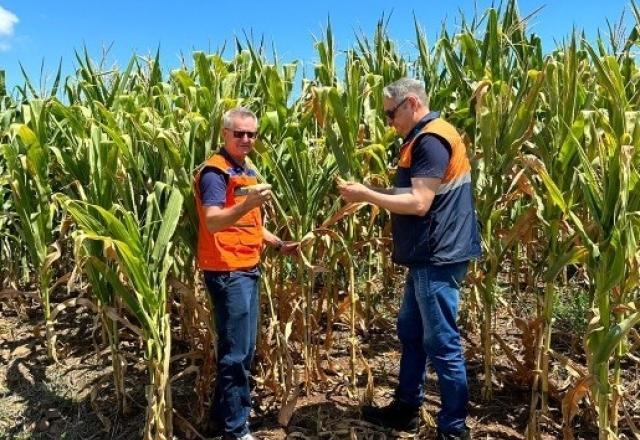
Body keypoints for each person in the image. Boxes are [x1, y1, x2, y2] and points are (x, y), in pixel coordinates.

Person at [338, 78, 482, 440]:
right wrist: (369, 191)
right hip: (426, 254)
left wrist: (368, 196)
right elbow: (411, 192)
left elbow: (419, 203)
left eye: (390, 113)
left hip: (436, 254)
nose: (388, 122)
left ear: (411, 103)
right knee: (412, 332)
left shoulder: (431, 140)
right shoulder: (422, 137)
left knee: (442, 342)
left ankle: (453, 429)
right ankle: (406, 408)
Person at [195, 107, 297, 440]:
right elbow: (213, 220)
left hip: (248, 267)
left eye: (251, 134)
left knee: (244, 350)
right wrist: (248, 204)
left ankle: (219, 420)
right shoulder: (216, 173)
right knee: (237, 353)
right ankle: (236, 430)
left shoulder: (247, 169)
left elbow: (249, 224)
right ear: (224, 134)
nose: (246, 139)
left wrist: (279, 243)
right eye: (239, 133)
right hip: (226, 272)